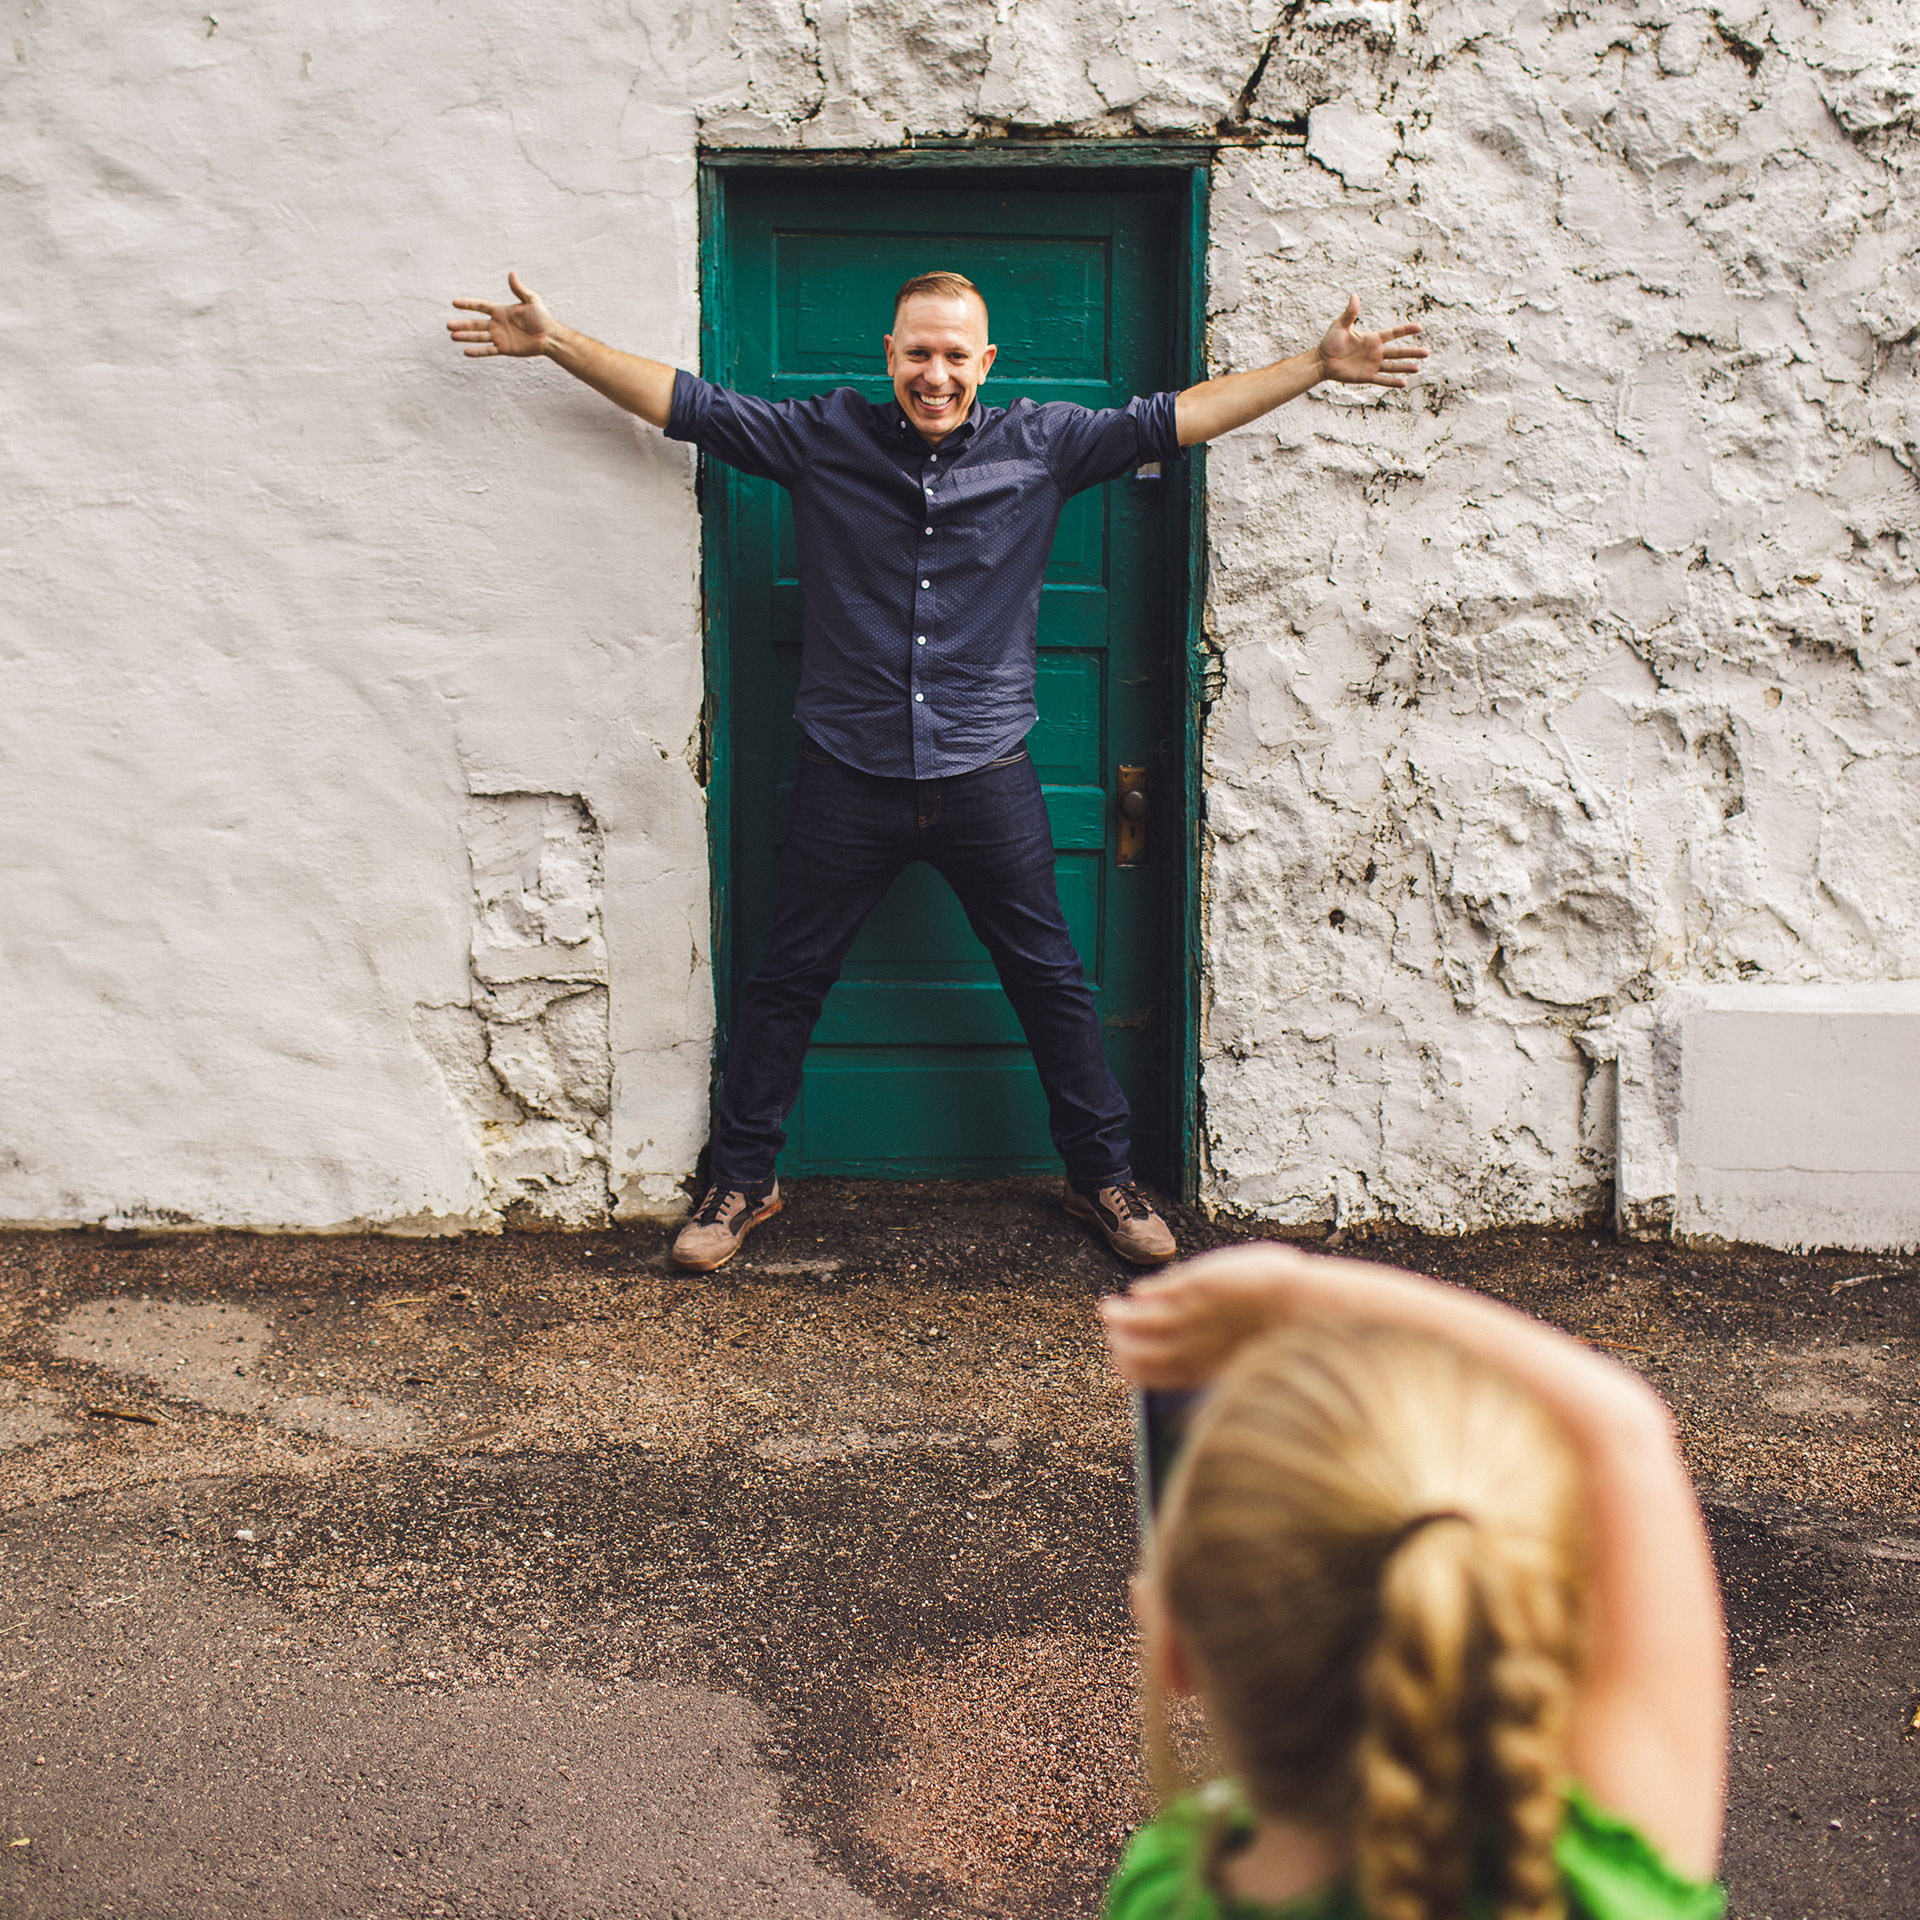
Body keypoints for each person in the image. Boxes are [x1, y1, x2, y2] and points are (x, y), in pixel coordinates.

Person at [447, 272, 1426, 1273]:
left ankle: (1103, 1177)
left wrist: (1316, 366)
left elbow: (1175, 419)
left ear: (986, 364)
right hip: (846, 772)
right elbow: (692, 407)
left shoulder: (1042, 444)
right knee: (786, 982)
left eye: (957, 355)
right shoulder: (825, 437)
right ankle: (744, 1178)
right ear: (890, 355)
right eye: (919, 352)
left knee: (1050, 982)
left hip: (984, 770)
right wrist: (556, 341)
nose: (936, 372)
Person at [1096, 1243, 1727, 1920]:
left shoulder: (1164, 1894)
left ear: (1177, 1652)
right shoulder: (1606, 1890)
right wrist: (1293, 1290)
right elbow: (1621, 1428)